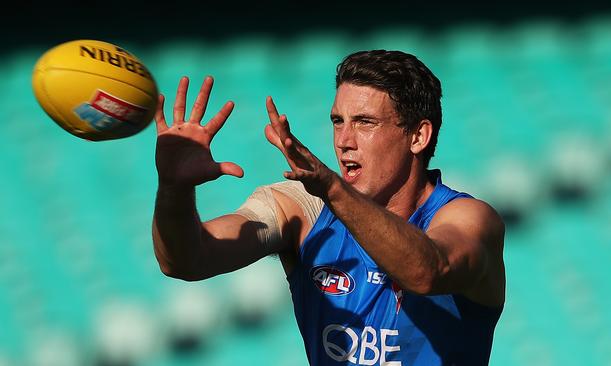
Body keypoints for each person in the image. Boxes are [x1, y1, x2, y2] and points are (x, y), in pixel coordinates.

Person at [152, 49, 506, 365]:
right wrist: (173, 188)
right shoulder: (303, 208)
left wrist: (333, 191)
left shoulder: (469, 219)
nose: (344, 141)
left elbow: (427, 272)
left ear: (418, 136)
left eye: (365, 122)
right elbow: (186, 260)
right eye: (338, 121)